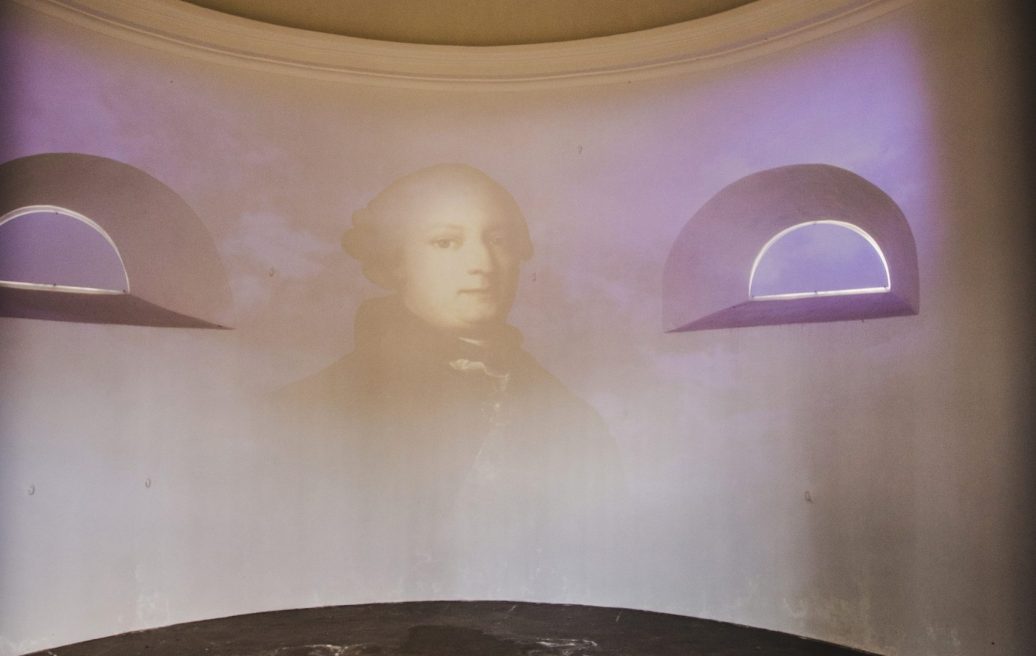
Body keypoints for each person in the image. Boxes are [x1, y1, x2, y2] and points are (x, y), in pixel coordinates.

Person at [276, 163, 621, 594]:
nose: (481, 263)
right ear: (395, 262)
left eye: (498, 240)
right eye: (446, 242)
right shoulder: (297, 415)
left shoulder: (573, 421)